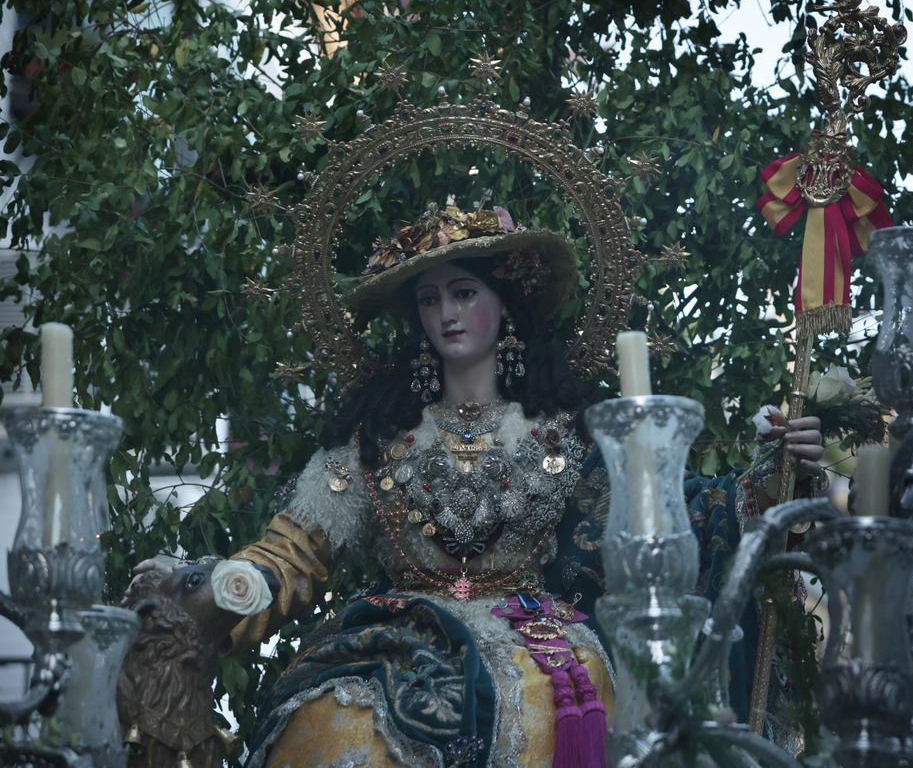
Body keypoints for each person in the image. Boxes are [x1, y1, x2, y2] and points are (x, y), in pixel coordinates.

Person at [131, 202, 824, 767]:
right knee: (334, 725)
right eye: (429, 299)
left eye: (464, 292)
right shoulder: (378, 439)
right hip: (395, 647)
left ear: (506, 303)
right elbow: (296, 551)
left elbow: (664, 521)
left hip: (545, 650)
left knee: (549, 716)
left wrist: (772, 480)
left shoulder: (567, 434)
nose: (447, 314)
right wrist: (218, 584)